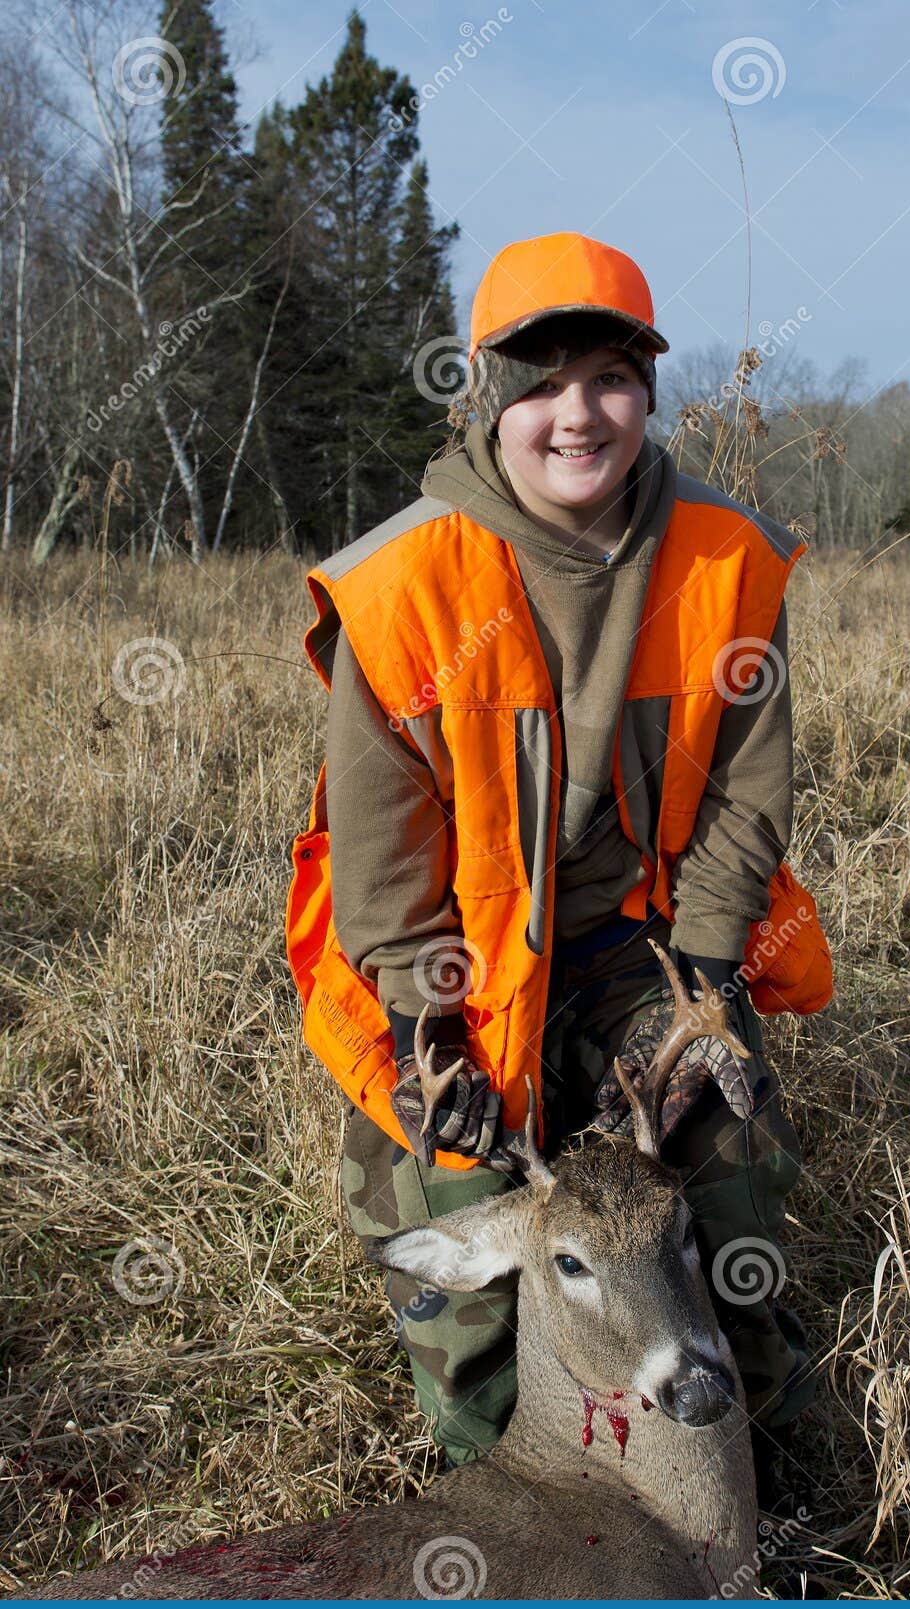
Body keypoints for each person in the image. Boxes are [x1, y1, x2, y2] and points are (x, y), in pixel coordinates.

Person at [285, 231, 833, 1514]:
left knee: (727, 1151)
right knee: (451, 1192)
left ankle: (771, 1464)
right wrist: (434, 1031)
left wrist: (704, 978)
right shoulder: (405, 581)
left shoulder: (724, 557)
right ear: (486, 395)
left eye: (610, 376)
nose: (575, 414)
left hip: (636, 942)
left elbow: (751, 794)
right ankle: (508, 1488)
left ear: (649, 387)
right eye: (538, 382)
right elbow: (379, 858)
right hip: (456, 958)